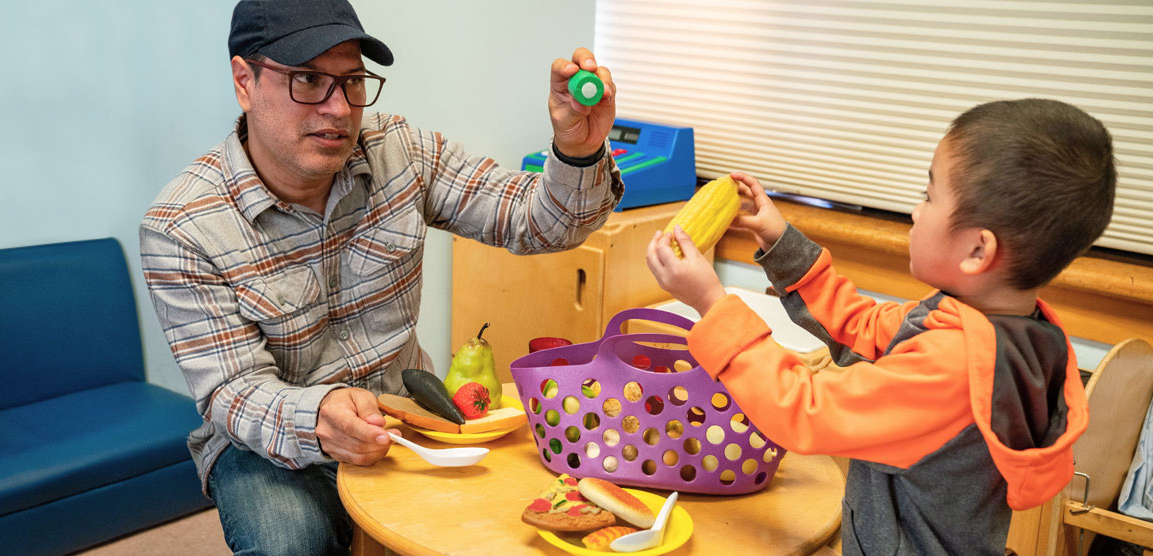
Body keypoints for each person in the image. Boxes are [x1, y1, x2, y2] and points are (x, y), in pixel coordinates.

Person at [139, 0, 622, 553]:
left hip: (406, 415)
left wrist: (579, 153)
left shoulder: (402, 150)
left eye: (352, 82)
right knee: (292, 542)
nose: (339, 108)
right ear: (244, 81)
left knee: (493, 525)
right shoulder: (181, 228)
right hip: (266, 442)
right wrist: (318, 413)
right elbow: (232, 391)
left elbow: (538, 225)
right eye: (309, 80)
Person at [646, 98, 1115, 555]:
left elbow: (806, 412)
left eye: (929, 196)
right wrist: (778, 239)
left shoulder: (953, 368)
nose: (915, 211)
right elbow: (863, 328)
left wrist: (711, 303)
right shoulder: (999, 328)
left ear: (977, 250)